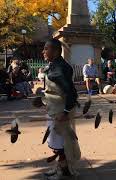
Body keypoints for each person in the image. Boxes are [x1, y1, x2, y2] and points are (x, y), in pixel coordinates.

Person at [41, 39, 81, 179]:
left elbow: (71, 92)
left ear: (56, 51)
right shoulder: (55, 65)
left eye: (46, 48)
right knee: (56, 141)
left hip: (60, 111)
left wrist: (65, 112)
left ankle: (65, 171)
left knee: (61, 142)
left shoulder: (59, 68)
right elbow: (55, 89)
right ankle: (61, 166)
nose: (43, 51)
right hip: (53, 109)